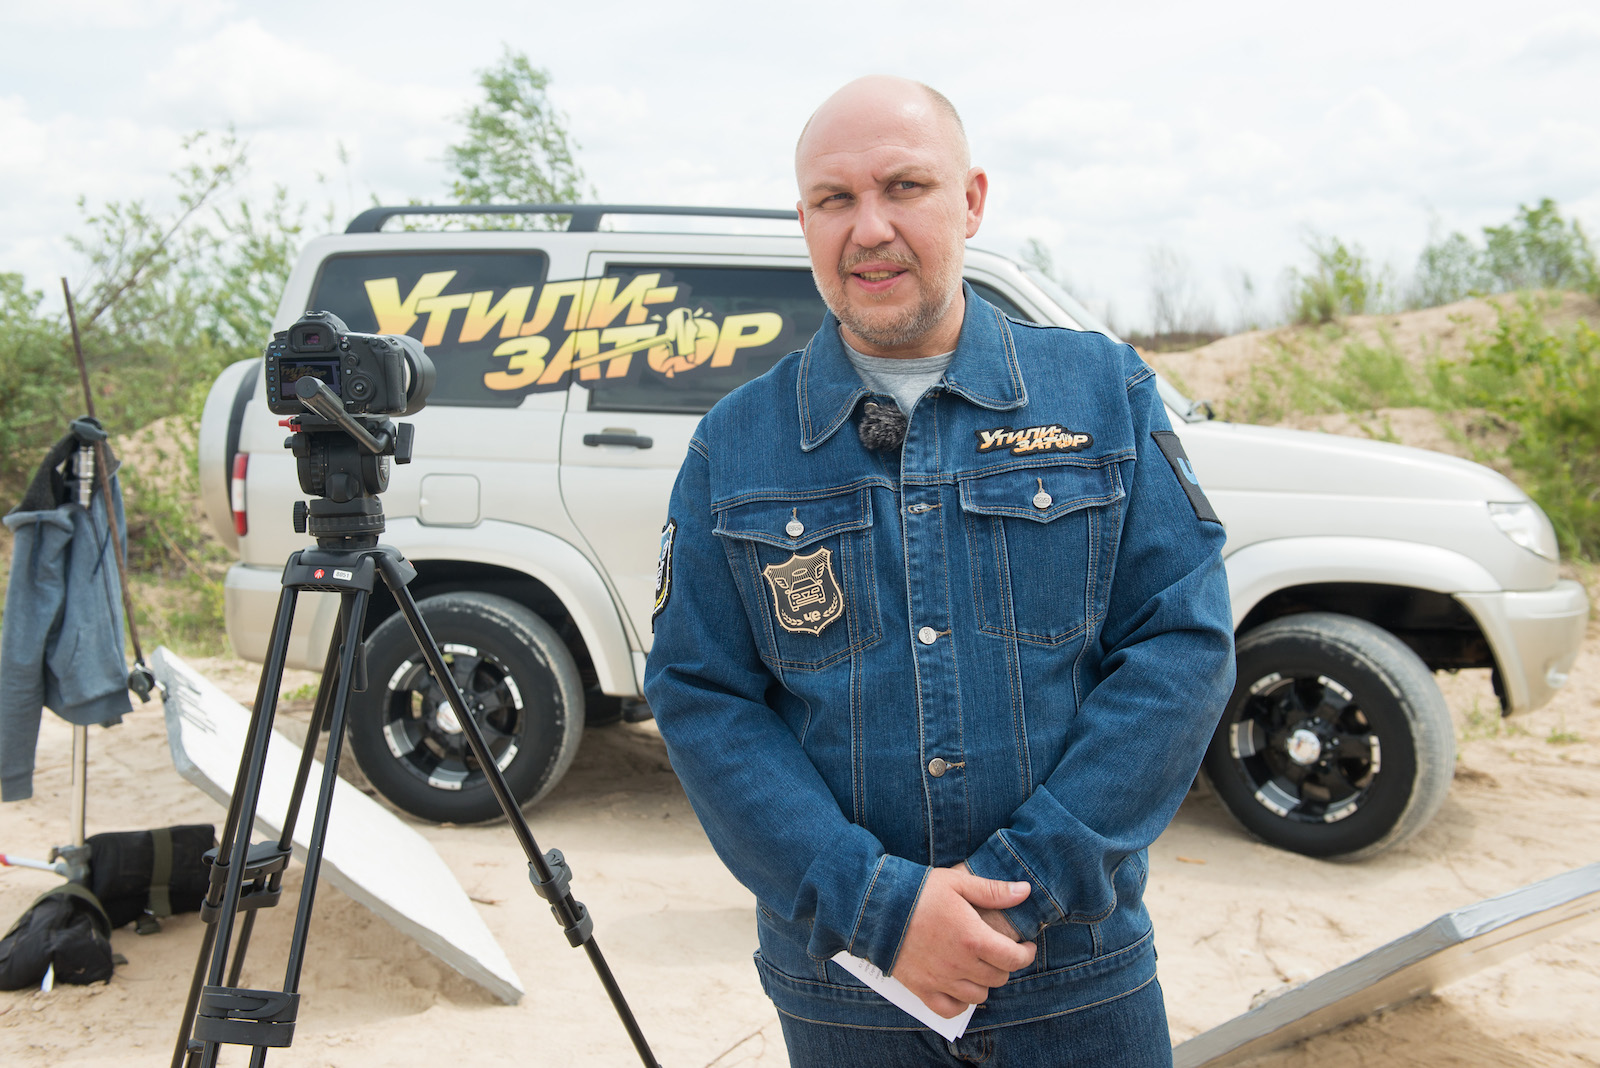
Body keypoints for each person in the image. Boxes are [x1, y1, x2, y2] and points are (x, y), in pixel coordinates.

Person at [643, 75, 1235, 1067]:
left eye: (904, 186)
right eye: (834, 199)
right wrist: (878, 908)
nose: (868, 228)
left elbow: (1181, 646)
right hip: (848, 993)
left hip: (1074, 976)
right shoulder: (733, 446)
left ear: (970, 201)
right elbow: (702, 696)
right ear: (804, 222)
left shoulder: (1102, 393)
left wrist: (1021, 890)